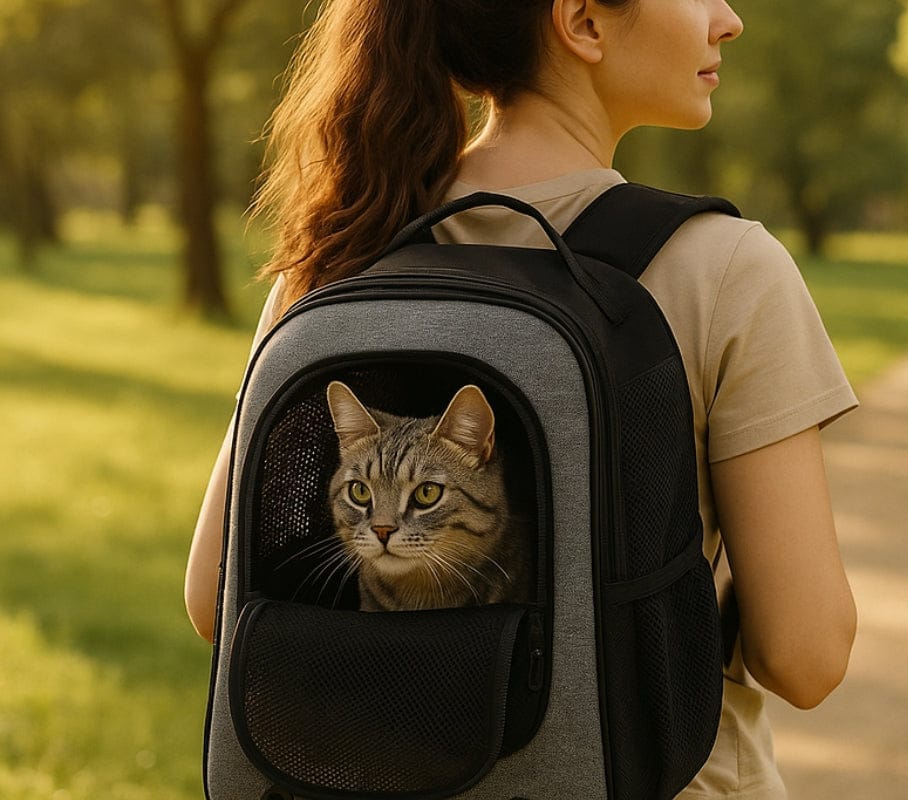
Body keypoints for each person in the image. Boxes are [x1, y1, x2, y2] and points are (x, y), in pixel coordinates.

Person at [185, 1, 859, 796]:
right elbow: (806, 658)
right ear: (583, 21)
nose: (728, 19)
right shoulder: (725, 268)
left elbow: (212, 599)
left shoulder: (341, 250)